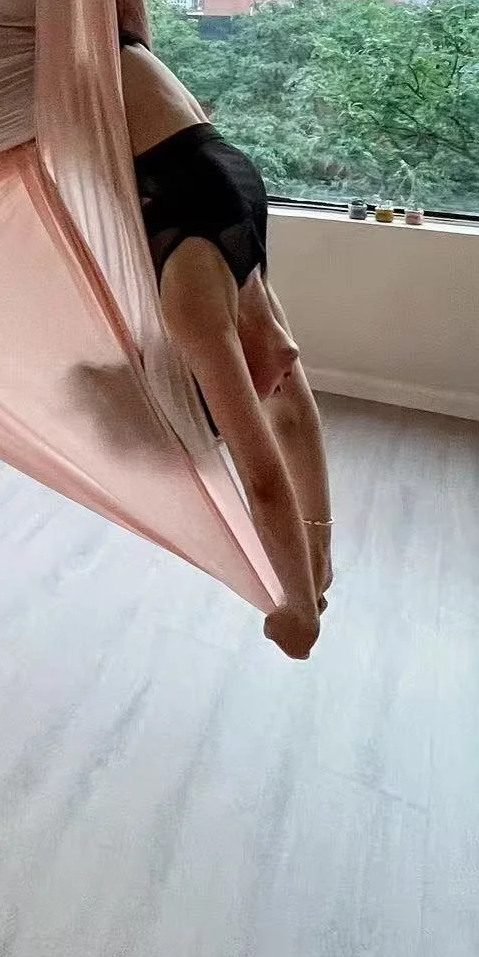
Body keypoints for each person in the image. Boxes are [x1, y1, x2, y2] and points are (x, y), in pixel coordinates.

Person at [120, 32, 332, 659]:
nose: (277, 380)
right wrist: (310, 568)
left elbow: (267, 469)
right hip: (216, 170)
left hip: (198, 172)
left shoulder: (196, 306)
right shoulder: (218, 296)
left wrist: (300, 602)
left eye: (254, 385)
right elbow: (284, 434)